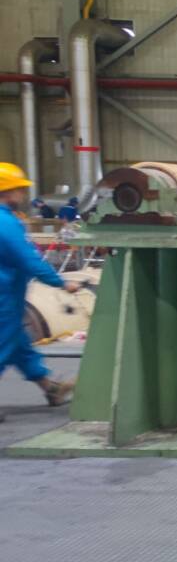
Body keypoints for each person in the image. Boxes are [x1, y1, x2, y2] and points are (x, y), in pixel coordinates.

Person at [0, 163, 79, 407]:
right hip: (4, 297)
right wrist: (61, 282)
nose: (23, 195)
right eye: (20, 189)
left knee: (19, 345)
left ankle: (50, 389)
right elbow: (29, 260)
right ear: (7, 191)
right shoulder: (6, 223)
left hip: (9, 295)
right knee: (3, 344)